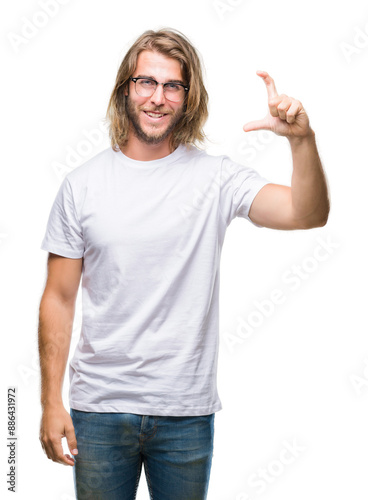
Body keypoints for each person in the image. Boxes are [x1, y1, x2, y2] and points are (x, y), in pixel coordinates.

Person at [38, 27, 330, 500]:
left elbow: (308, 214)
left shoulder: (216, 178)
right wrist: (51, 401)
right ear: (126, 89)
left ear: (188, 97)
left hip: (185, 414)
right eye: (146, 83)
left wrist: (302, 141)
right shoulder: (82, 184)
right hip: (100, 410)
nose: (158, 98)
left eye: (173, 85)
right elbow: (59, 297)